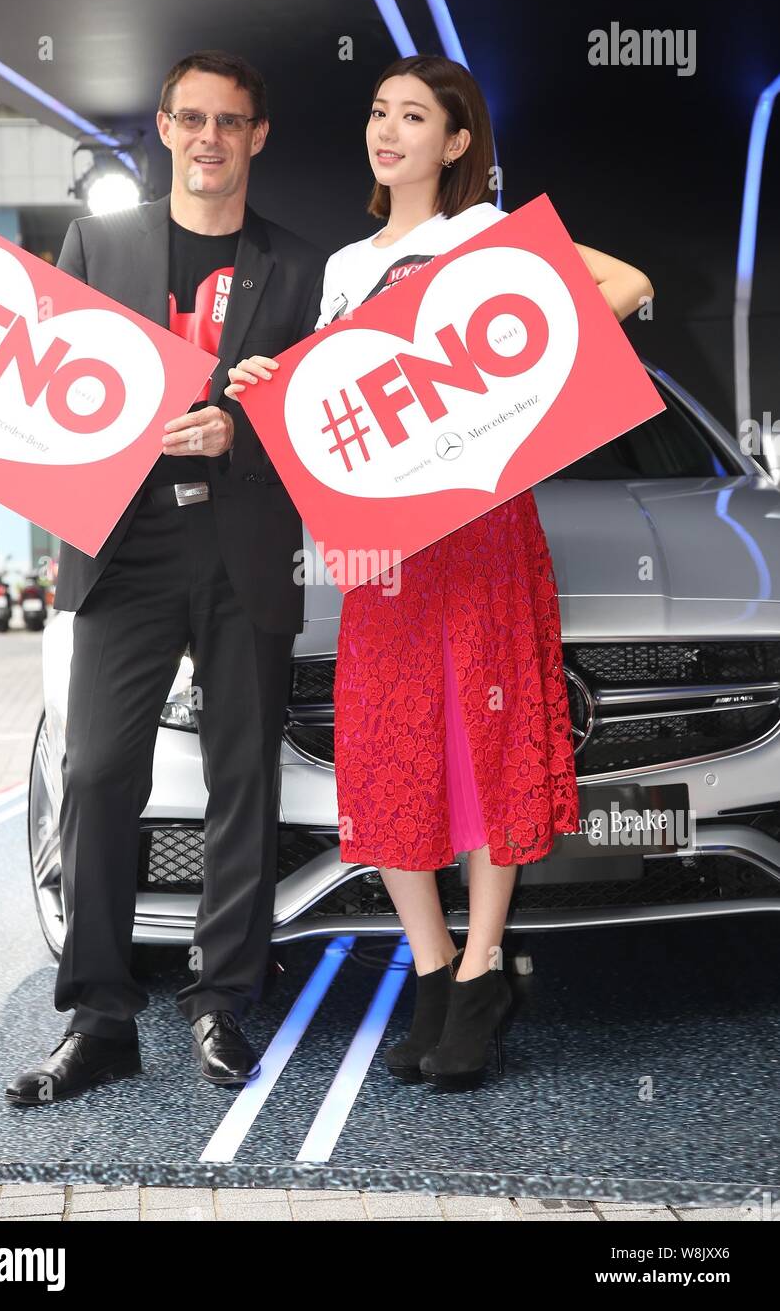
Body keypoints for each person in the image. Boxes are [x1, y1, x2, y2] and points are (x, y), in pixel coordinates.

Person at [225, 53, 654, 1090]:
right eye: (379, 112)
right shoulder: (339, 266)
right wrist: (268, 380)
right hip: (379, 545)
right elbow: (334, 400)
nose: (388, 130)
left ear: (456, 144)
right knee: (388, 746)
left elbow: (627, 285)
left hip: (478, 524)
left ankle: (478, 969)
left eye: (413, 116)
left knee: (481, 733)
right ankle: (428, 967)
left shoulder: (479, 238)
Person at [4, 50, 326, 1104]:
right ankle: (99, 1017)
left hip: (243, 545)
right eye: (189, 119)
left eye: (228, 122)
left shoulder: (299, 268)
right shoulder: (97, 242)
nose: (206, 138)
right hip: (122, 545)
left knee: (244, 781)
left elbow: (318, 428)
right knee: (98, 773)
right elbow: (38, 388)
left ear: (256, 136)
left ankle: (223, 1000)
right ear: (163, 127)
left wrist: (241, 426)